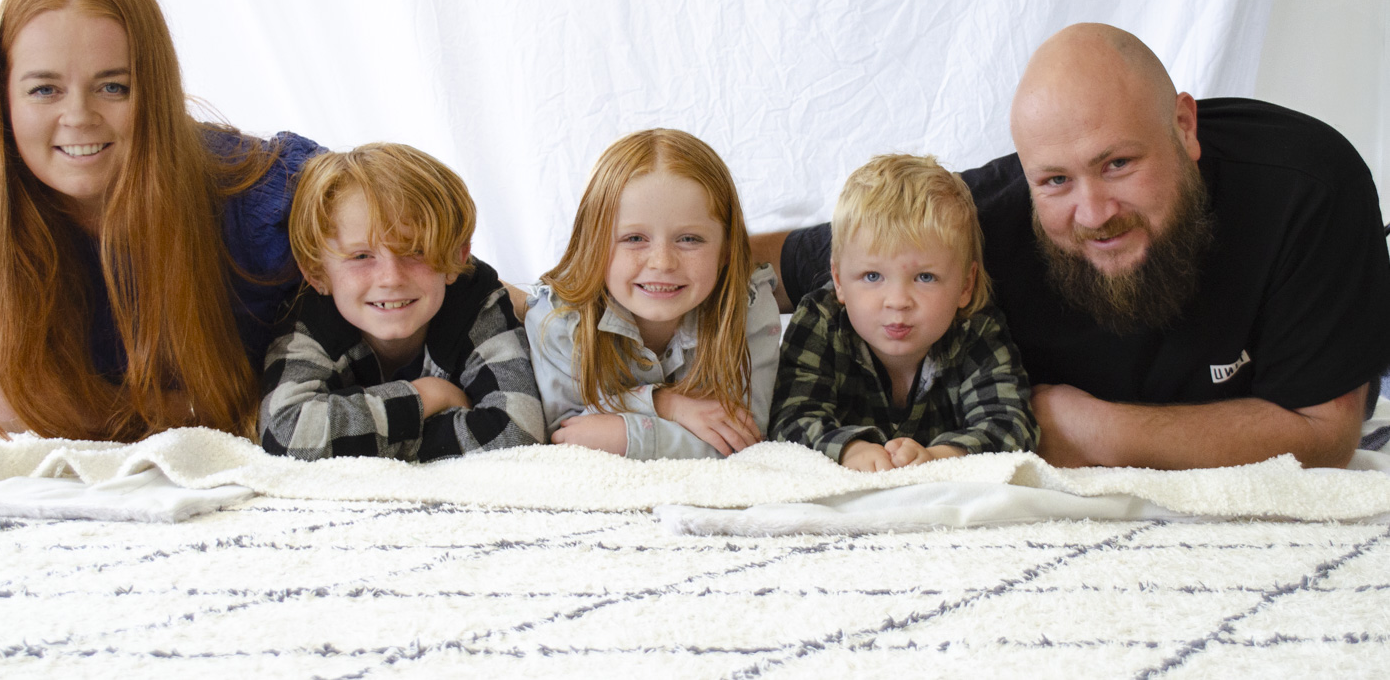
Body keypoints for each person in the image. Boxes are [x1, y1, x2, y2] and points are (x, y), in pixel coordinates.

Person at [760, 23, 1390, 470]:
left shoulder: (1308, 189)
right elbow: (775, 263)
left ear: (1184, 127)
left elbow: (1326, 434)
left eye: (1117, 163)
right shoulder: (978, 225)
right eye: (1056, 180)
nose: (1093, 213)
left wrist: (1089, 428)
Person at [0, 0, 322, 441]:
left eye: (113, 87)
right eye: (45, 89)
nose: (78, 116)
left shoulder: (259, 192)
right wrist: (220, 408)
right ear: (2, 97)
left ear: (155, 92)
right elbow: (8, 406)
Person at [259, 143, 543, 461]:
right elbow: (286, 432)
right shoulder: (312, 317)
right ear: (316, 272)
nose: (391, 278)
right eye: (361, 256)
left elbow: (518, 430)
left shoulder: (475, 300)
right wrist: (427, 395)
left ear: (456, 257)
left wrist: (357, 441)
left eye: (415, 251)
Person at [525, 128, 780, 460]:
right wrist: (668, 405)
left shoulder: (748, 306)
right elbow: (567, 436)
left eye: (689, 239)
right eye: (634, 238)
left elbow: (744, 439)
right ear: (594, 244)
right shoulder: (558, 319)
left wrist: (623, 435)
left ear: (727, 248)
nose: (662, 262)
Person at [772, 154, 1037, 471]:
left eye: (925, 277)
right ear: (839, 281)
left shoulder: (976, 330)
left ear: (966, 285)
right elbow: (789, 418)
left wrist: (942, 457)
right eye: (873, 277)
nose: (897, 301)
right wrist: (849, 449)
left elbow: (1011, 424)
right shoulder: (821, 321)